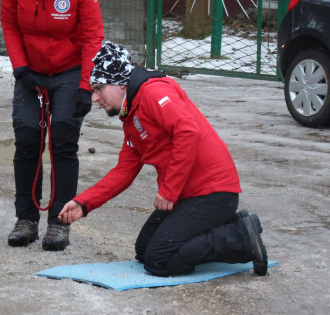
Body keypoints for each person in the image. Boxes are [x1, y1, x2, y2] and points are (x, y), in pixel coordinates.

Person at [57, 41, 269, 276]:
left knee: (159, 260)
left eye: (99, 88)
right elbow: (124, 172)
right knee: (145, 250)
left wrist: (169, 190)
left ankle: (241, 238)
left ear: (119, 83)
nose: (94, 98)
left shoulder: (153, 92)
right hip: (188, 196)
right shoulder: (130, 116)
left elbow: (187, 132)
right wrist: (84, 203)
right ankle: (228, 226)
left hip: (213, 193)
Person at [1, 0, 104, 251]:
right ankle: (26, 219)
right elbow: (9, 24)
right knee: (27, 138)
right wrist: (20, 67)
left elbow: (92, 38)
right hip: (30, 72)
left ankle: (59, 223)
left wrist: (86, 86)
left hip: (68, 72)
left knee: (62, 140)